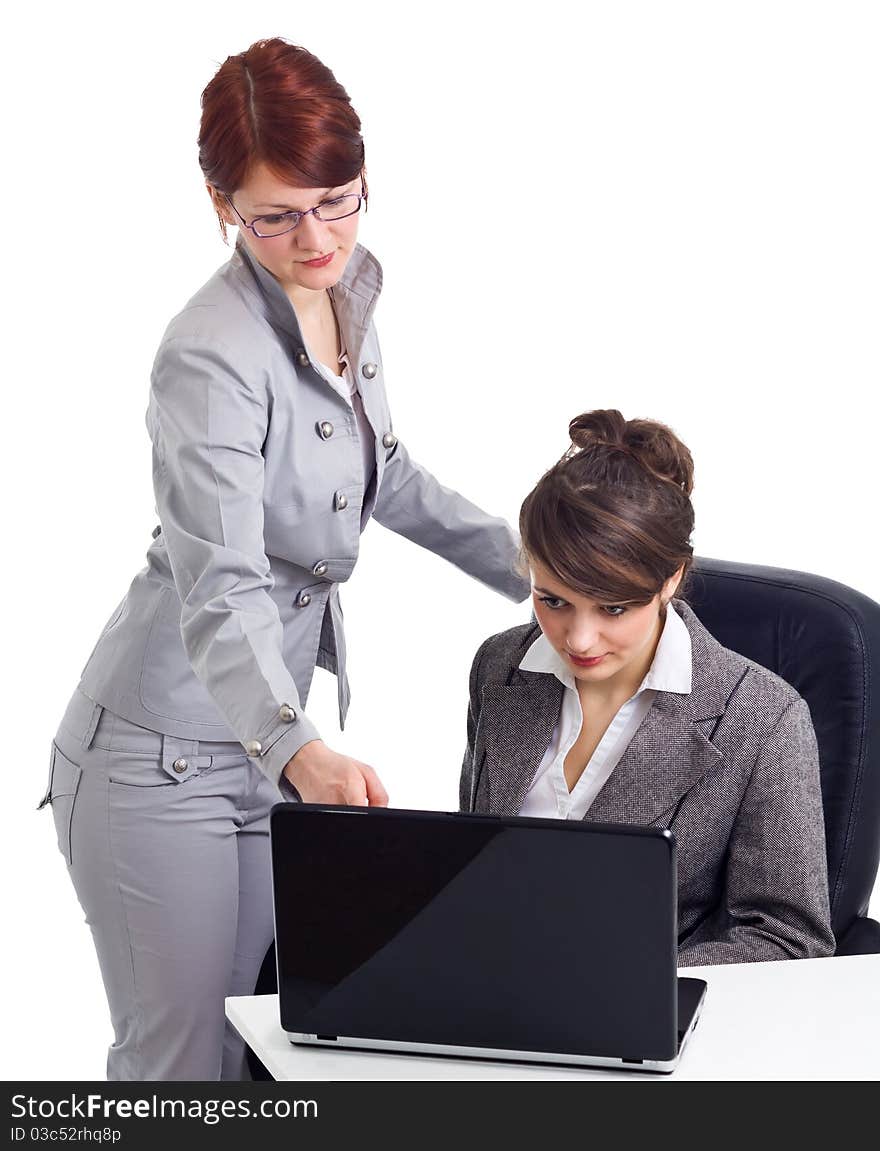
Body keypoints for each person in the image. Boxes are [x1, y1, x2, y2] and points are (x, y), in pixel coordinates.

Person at [41, 37, 528, 1081]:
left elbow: (384, 473)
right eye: (276, 215)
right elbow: (219, 580)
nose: (315, 237)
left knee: (263, 1040)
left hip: (265, 736)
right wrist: (297, 747)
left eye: (339, 200)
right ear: (219, 202)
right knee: (179, 1061)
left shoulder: (346, 296)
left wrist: (548, 571)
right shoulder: (207, 355)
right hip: (160, 753)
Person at [460, 409, 835, 965]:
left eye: (614, 608)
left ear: (672, 579)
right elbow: (476, 870)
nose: (579, 638)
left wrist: (630, 975)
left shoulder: (762, 717)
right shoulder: (500, 666)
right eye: (553, 600)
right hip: (487, 995)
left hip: (643, 1022)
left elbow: (791, 941)